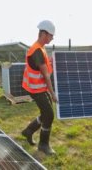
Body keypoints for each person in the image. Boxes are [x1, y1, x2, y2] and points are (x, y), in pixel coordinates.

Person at [21, 20, 58, 155]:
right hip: (36, 89)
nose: (52, 38)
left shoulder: (40, 48)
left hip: (38, 87)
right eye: (51, 35)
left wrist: (51, 63)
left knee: (46, 113)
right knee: (49, 114)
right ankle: (43, 144)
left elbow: (45, 67)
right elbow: (46, 76)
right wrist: (53, 94)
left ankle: (28, 131)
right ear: (44, 33)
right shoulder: (37, 50)